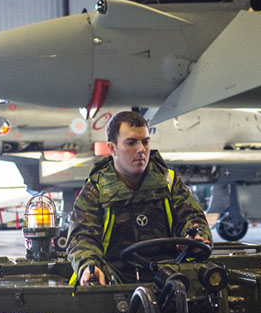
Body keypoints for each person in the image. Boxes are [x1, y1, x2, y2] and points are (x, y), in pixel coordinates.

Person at [66, 110, 212, 285]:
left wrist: (195, 238)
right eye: (131, 143)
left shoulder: (169, 182)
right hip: (116, 281)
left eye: (145, 142)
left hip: (170, 278)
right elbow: (82, 237)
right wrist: (89, 264)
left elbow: (193, 218)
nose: (141, 150)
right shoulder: (96, 190)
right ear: (112, 148)